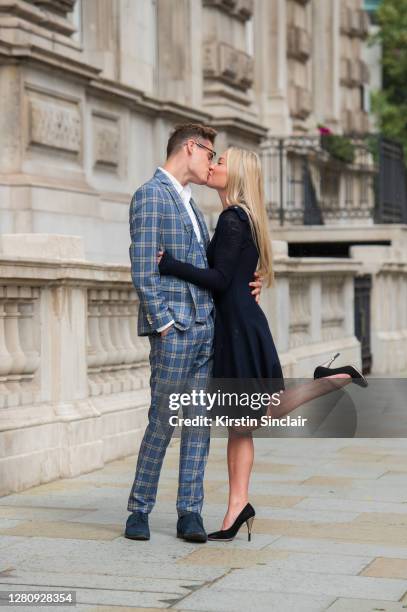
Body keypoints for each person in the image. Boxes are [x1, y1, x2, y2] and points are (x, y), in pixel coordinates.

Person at [158, 147, 368, 542]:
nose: (214, 165)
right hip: (240, 325)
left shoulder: (233, 219)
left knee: (251, 418)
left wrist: (169, 265)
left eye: (221, 163)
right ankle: (237, 506)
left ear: (234, 174)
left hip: (238, 329)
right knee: (245, 423)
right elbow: (232, 276)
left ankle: (330, 380)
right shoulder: (242, 218)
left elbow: (219, 280)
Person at [125, 125, 262, 543]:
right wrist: (163, 323)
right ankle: (140, 509)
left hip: (207, 329)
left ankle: (190, 512)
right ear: (191, 148)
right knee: (163, 420)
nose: (212, 162)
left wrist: (248, 281)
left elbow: (212, 270)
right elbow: (144, 267)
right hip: (175, 331)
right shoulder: (150, 196)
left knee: (199, 424)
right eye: (210, 154)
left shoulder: (195, 207)